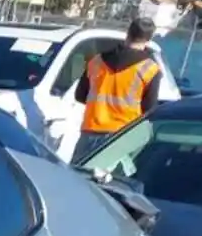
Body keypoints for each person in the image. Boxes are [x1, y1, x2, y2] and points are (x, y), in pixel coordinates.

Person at [70, 15, 164, 164]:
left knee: (78, 179)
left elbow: (80, 96)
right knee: (113, 184)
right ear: (148, 39)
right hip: (122, 137)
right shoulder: (150, 69)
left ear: (128, 33)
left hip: (90, 131)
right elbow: (149, 110)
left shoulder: (96, 61)